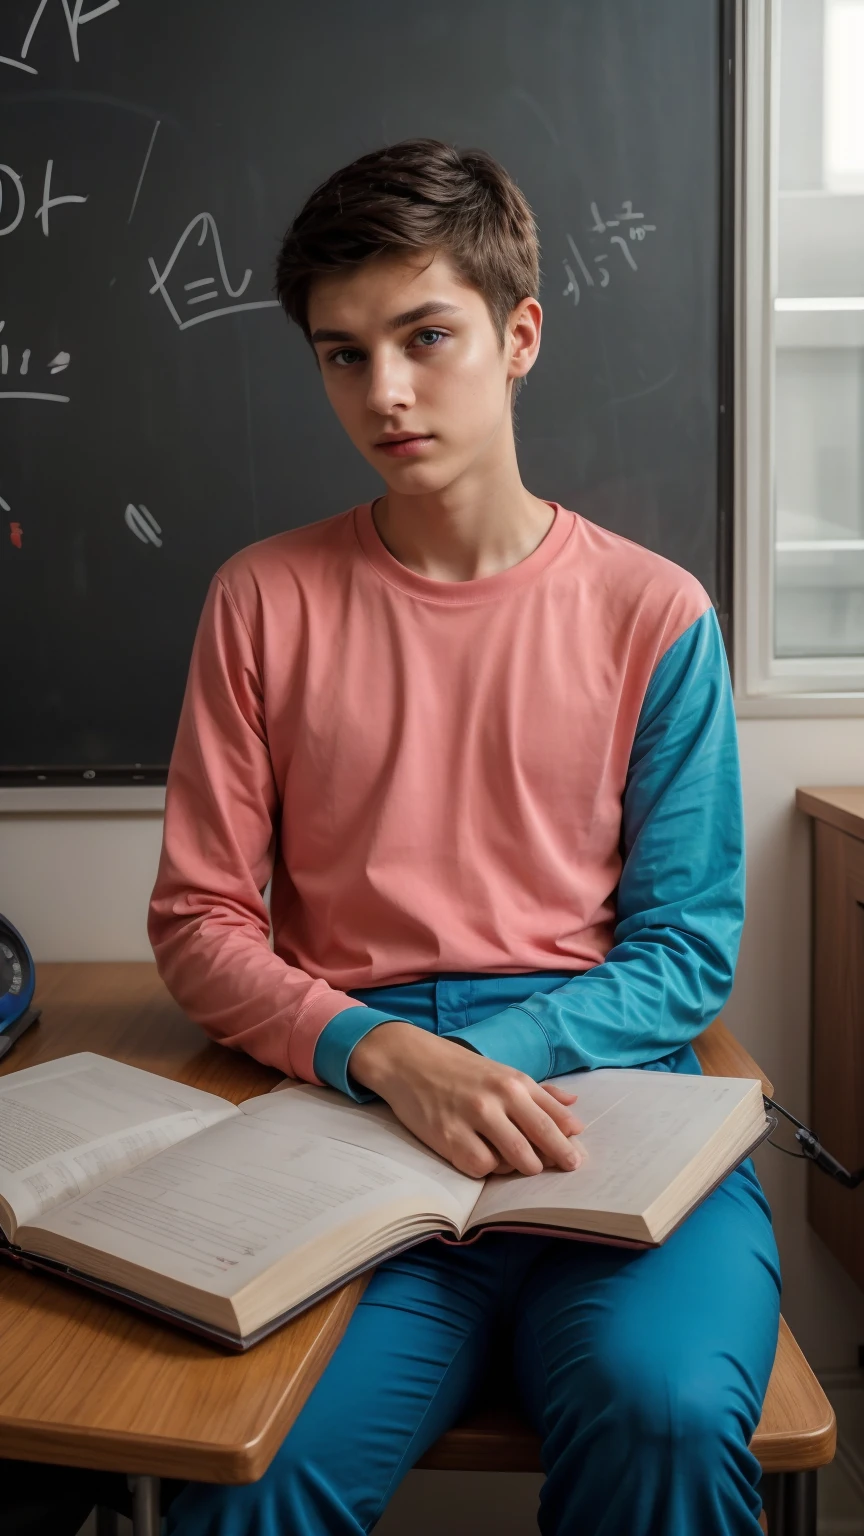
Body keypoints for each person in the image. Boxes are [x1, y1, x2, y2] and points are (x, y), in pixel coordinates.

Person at [64, 137, 783, 1536]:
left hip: (597, 1091)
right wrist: (384, 1056)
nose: (384, 392)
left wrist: (482, 1064)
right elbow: (199, 923)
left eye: (424, 336)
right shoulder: (262, 600)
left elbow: (688, 950)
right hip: (347, 1094)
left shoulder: (655, 613)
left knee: (669, 1417)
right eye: (342, 355)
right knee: (244, 1480)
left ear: (519, 335)